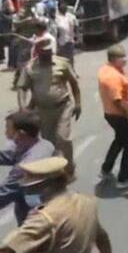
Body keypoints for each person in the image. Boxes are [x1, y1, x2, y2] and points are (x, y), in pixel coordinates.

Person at [0, 157, 117, 253]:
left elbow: (3, 251)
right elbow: (101, 236)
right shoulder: (86, 202)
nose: (27, 191)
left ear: (47, 186)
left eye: (31, 187)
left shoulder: (44, 219)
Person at [17, 38, 81, 168]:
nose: (48, 54)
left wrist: (78, 103)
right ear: (37, 52)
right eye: (44, 52)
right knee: (48, 143)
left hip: (63, 106)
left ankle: (69, 167)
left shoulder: (62, 63)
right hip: (43, 110)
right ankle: (54, 170)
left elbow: (74, 83)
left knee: (63, 138)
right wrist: (23, 107)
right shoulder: (30, 67)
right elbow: (21, 88)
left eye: (49, 51)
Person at [0, 111, 55, 225]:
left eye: (8, 128)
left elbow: (2, 195)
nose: (5, 132)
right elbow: (9, 156)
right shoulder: (44, 144)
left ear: (21, 133)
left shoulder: (26, 166)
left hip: (36, 212)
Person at [98, 45, 128, 189]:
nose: (125, 60)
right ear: (114, 59)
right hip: (120, 115)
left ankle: (106, 169)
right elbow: (117, 100)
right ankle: (124, 178)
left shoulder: (106, 69)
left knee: (119, 141)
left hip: (110, 113)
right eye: (122, 58)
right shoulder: (113, 76)